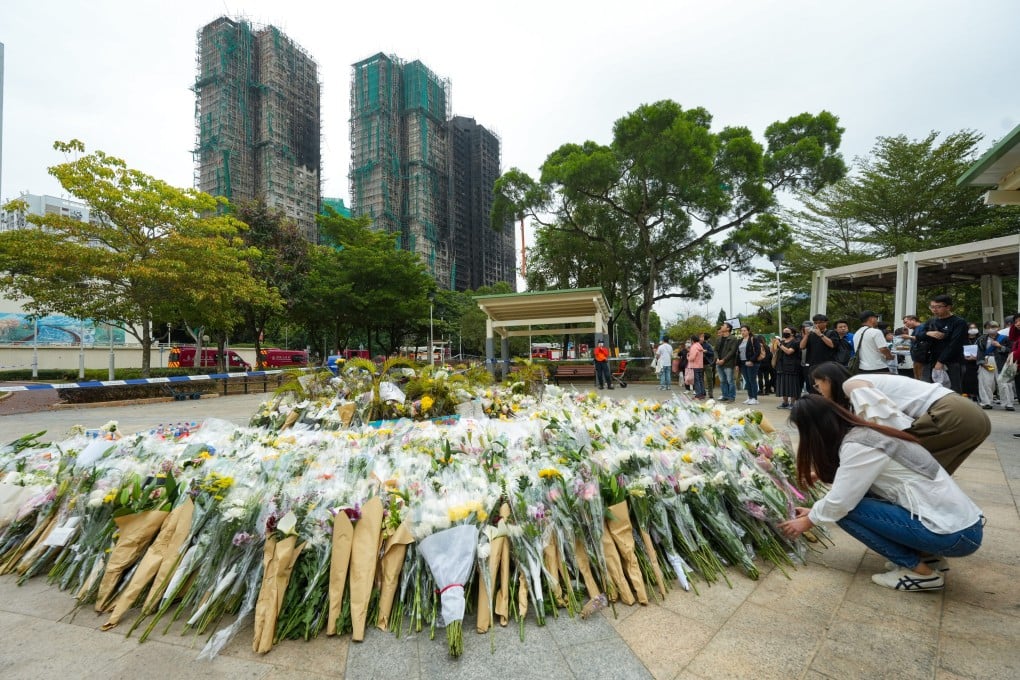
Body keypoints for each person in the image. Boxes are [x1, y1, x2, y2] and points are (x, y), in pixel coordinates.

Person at [778, 395, 983, 592]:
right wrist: (815, 510)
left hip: (954, 534)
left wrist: (809, 520)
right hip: (959, 526)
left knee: (846, 512)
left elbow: (841, 502)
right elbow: (850, 488)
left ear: (814, 429)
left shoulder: (859, 446)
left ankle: (922, 573)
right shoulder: (866, 434)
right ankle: (928, 556)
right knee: (848, 504)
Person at [809, 361, 990, 475]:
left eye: (818, 387)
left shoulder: (851, 384)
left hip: (950, 412)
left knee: (898, 464)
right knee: (928, 472)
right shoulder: (865, 384)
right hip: (975, 418)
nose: (820, 393)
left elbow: (880, 428)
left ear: (827, 380)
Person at [921, 295, 967, 393]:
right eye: (932, 307)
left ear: (948, 307)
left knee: (952, 389)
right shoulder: (931, 321)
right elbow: (918, 335)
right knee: (931, 389)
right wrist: (928, 333)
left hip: (952, 361)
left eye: (938, 307)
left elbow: (955, 344)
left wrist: (941, 361)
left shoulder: (959, 322)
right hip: (931, 360)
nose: (934, 309)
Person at [976, 320, 1013, 411]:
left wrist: (1000, 346)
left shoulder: (1005, 338)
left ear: (998, 328)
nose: (991, 329)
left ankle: (1008, 403)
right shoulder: (981, 339)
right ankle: (986, 402)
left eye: (993, 327)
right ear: (985, 329)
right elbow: (979, 351)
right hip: (987, 361)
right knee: (986, 382)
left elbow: (1011, 350)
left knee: (1005, 382)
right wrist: (981, 362)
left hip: (1002, 362)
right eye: (988, 327)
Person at [799, 314, 839, 391]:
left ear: (826, 323)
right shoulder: (811, 334)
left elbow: (832, 345)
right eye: (815, 322)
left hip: (826, 365)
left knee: (826, 388)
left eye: (820, 322)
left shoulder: (831, 333)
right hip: (812, 366)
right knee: (812, 388)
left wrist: (820, 334)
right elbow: (801, 346)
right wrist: (806, 335)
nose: (817, 324)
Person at [772, 325, 803, 410]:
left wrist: (780, 344)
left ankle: (792, 403)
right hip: (781, 366)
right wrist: (774, 344)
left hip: (792, 366)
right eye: (784, 331)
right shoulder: (781, 341)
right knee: (783, 384)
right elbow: (773, 351)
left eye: (787, 331)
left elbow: (789, 352)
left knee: (792, 385)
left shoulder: (796, 342)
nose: (784, 333)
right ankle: (785, 402)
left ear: (792, 333)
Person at [736, 325, 763, 405]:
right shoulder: (740, 341)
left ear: (748, 331)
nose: (743, 332)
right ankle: (750, 397)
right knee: (747, 381)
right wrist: (737, 364)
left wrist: (751, 360)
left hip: (752, 363)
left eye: (744, 330)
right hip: (743, 363)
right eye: (741, 331)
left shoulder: (753, 339)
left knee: (752, 380)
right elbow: (738, 353)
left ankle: (755, 398)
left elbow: (758, 351)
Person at [714, 323, 739, 402]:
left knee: (730, 380)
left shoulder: (733, 338)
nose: (721, 326)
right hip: (719, 363)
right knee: (722, 380)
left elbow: (732, 351)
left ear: (728, 329)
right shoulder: (719, 339)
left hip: (728, 363)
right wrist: (717, 359)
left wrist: (723, 360)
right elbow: (715, 350)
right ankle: (725, 395)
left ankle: (731, 397)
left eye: (723, 325)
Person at [901, 314, 926, 380]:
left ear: (913, 320)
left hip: (922, 358)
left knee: (921, 378)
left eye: (906, 322)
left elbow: (923, 338)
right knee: (917, 378)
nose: (905, 325)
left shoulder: (923, 327)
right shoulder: (916, 329)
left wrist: (908, 337)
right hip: (916, 358)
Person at [961, 323, 981, 400]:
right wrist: (964, 357)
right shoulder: (963, 339)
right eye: (970, 328)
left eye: (974, 327)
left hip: (978, 361)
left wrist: (977, 357)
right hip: (966, 361)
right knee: (967, 377)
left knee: (977, 378)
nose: (973, 329)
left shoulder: (980, 338)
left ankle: (976, 394)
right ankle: (967, 393)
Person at [687, 334, 706, 399]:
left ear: (692, 340)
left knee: (696, 381)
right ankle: (702, 393)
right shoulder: (700, 346)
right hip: (700, 365)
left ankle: (698, 394)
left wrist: (688, 357)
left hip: (695, 365)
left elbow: (692, 357)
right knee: (701, 380)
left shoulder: (694, 347)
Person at [699, 332, 717, 399]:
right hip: (699, 364)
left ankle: (710, 393)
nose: (701, 338)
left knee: (709, 378)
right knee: (700, 379)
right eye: (700, 337)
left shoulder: (708, 345)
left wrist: (706, 352)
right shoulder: (697, 345)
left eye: (702, 337)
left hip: (707, 364)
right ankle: (702, 392)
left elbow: (712, 353)